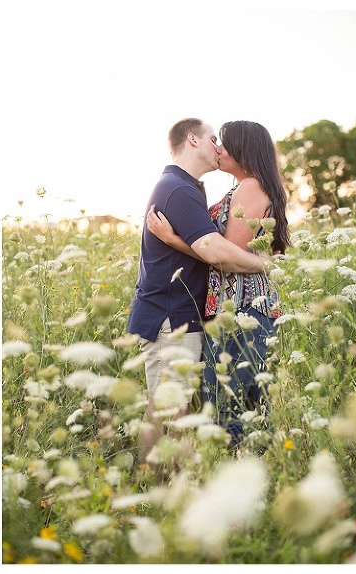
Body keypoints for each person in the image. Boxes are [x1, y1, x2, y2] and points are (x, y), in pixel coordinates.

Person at [126, 118, 269, 466]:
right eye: (212, 138)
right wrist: (265, 265)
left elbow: (211, 249)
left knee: (178, 412)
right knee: (166, 413)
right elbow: (214, 251)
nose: (218, 145)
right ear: (192, 140)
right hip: (168, 319)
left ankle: (166, 486)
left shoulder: (188, 187)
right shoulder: (178, 188)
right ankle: (150, 490)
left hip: (182, 318)